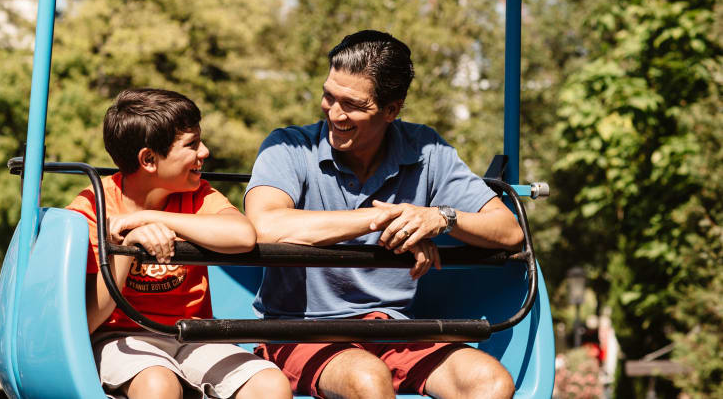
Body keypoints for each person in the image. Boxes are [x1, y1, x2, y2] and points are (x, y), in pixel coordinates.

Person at [245, 30, 521, 399]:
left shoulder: (426, 149)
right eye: (329, 95)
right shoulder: (289, 146)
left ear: (392, 109)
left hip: (392, 329)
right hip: (301, 331)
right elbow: (265, 226)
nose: (334, 112)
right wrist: (388, 219)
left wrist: (440, 218)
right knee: (368, 381)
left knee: (490, 383)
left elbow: (508, 230)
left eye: (353, 104)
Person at [67, 88, 291, 399]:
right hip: (119, 337)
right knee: (158, 385)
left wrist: (151, 218)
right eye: (192, 145)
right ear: (149, 159)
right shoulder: (93, 208)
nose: (205, 152)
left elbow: (242, 235)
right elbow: (88, 319)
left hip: (191, 336)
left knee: (270, 384)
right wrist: (128, 249)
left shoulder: (196, 195)